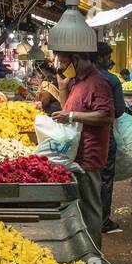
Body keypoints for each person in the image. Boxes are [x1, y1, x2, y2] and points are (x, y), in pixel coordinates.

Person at [52, 40, 115, 248]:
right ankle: (82, 250)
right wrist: (62, 90)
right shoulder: (77, 81)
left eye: (62, 61)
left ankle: (94, 256)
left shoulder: (97, 82)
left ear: (76, 59)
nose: (60, 66)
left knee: (90, 208)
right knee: (80, 206)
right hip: (75, 155)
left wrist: (71, 115)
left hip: (89, 155)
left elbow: (106, 116)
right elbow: (67, 112)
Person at [96, 41, 130, 235]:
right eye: (108, 57)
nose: (110, 61)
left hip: (80, 135)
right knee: (105, 177)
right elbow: (118, 110)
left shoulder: (79, 78)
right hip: (104, 135)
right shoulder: (111, 80)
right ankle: (103, 220)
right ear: (100, 57)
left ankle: (87, 216)